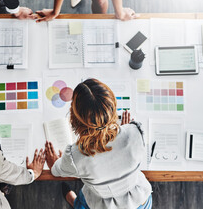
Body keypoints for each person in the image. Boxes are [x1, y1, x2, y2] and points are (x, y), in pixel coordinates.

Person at [45, 79, 152, 209]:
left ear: (75, 118)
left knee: (82, 204)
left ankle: (75, 203)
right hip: (138, 201)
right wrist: (123, 132)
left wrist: (54, 164)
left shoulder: (75, 156)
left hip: (101, 204)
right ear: (112, 108)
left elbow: (57, 171)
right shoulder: (136, 131)